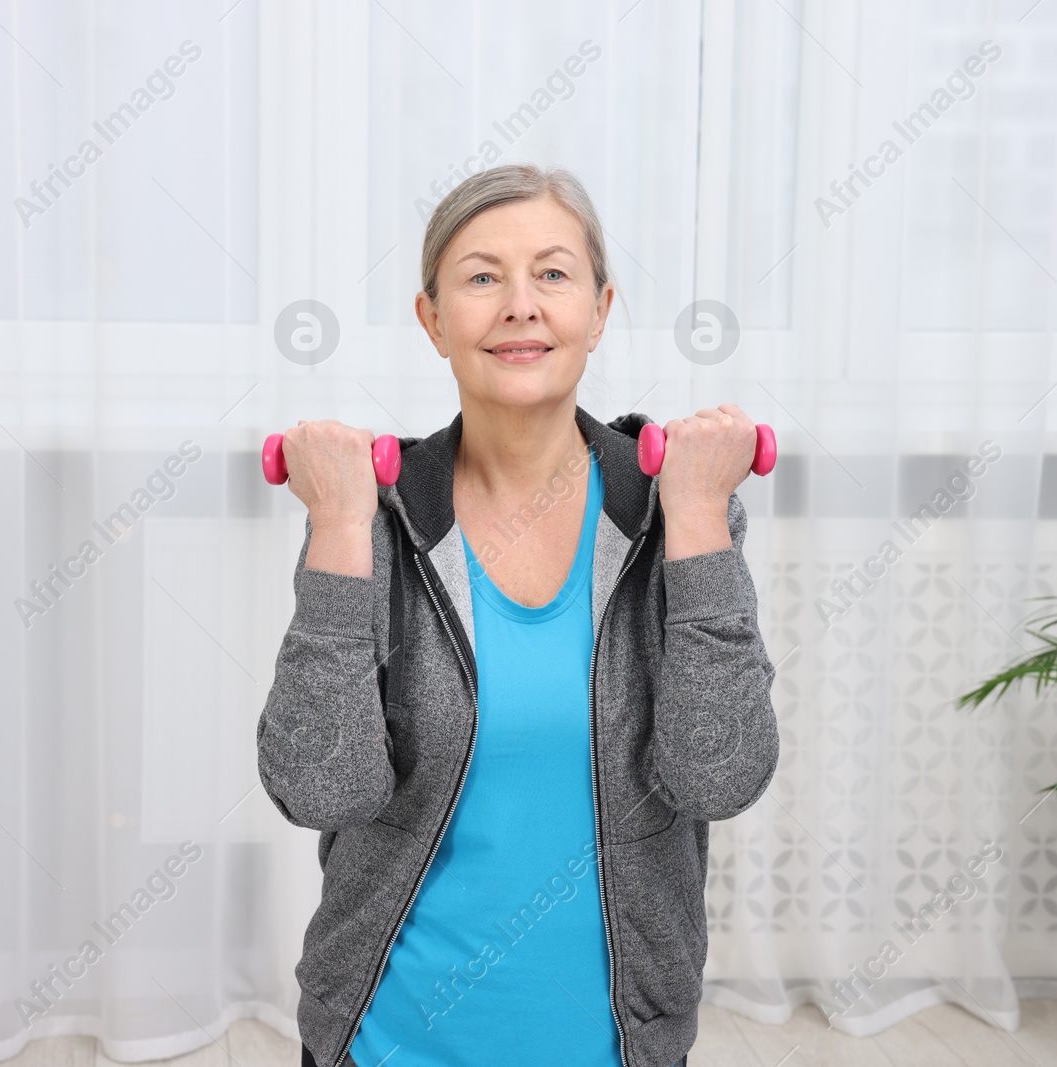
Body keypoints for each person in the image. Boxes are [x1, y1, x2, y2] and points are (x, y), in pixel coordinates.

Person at [257, 163, 779, 1067]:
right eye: (482, 276)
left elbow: (718, 777)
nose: (520, 305)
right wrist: (339, 526)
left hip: (615, 1043)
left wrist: (695, 516)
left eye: (552, 272)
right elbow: (321, 790)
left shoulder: (678, 510)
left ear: (601, 309)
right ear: (433, 320)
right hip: (385, 1039)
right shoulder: (375, 517)